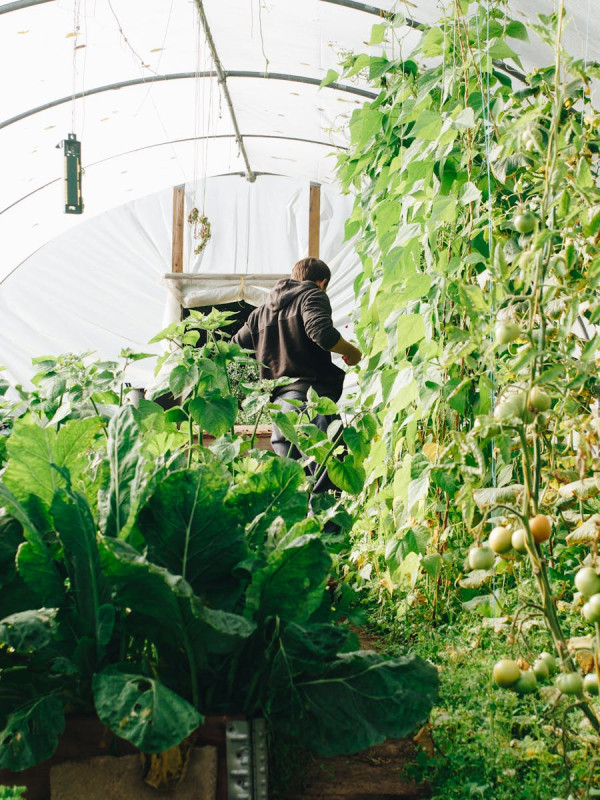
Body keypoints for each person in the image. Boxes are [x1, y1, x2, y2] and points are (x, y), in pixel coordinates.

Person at [231, 257, 362, 492]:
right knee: (329, 480)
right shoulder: (312, 295)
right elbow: (322, 333)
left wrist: (268, 353)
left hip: (279, 412)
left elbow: (234, 349)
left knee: (295, 488)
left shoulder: (259, 313)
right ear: (321, 283)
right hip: (309, 405)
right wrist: (351, 352)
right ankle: (328, 530)